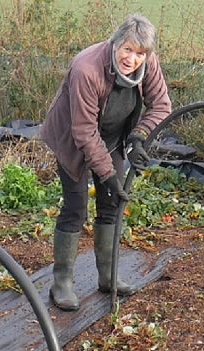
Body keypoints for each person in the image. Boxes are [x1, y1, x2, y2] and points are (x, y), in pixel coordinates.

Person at [40, 13, 171, 311]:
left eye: (139, 53)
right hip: (72, 139)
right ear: (115, 43)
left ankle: (108, 277)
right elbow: (84, 132)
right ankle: (61, 284)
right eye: (127, 50)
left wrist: (138, 136)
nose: (132, 59)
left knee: (111, 204)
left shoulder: (147, 63)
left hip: (111, 138)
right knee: (75, 208)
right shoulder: (86, 68)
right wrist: (108, 174)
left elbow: (162, 105)